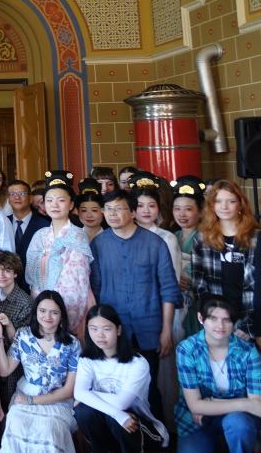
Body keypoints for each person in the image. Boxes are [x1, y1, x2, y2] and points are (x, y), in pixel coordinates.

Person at [91, 189, 181, 420]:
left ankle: (156, 435)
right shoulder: (99, 244)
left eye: (118, 209)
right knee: (115, 387)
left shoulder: (154, 243)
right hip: (113, 329)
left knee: (149, 388)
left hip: (148, 327)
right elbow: (96, 288)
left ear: (133, 212)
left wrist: (166, 330)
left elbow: (168, 288)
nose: (112, 214)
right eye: (107, 209)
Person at [74, 303, 168, 453]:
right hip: (115, 418)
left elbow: (121, 403)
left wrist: (86, 395)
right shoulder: (87, 360)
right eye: (93, 329)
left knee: (114, 418)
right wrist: (118, 415)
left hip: (140, 425)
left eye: (106, 329)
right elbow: (79, 393)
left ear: (118, 330)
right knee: (83, 412)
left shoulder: (138, 363)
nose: (100, 335)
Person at [0, 290, 81, 453]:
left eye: (54, 312)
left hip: (58, 399)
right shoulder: (23, 335)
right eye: (42, 311)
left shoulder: (72, 344)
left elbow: (69, 390)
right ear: (35, 312)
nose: (47, 316)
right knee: (16, 422)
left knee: (49, 428)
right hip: (25, 394)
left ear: (62, 315)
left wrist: (31, 400)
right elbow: (5, 370)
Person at [175, 296, 261, 453]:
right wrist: (245, 403)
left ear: (233, 322)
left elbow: (257, 404)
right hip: (196, 421)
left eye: (226, 320)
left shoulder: (248, 351)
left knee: (238, 424)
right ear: (201, 318)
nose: (220, 326)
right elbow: (194, 405)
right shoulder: (186, 350)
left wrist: (211, 403)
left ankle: (244, 443)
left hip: (237, 418)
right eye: (213, 318)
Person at [191, 179, 260, 343]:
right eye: (218, 201)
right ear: (211, 205)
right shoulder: (202, 239)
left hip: (251, 318)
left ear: (241, 204)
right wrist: (214, 319)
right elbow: (199, 284)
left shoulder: (256, 238)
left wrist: (249, 325)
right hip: (217, 319)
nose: (224, 206)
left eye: (231, 201)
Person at [26, 182, 95, 336]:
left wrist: (54, 306)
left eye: (61, 200)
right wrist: (42, 302)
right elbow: (32, 272)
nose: (54, 205)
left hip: (71, 301)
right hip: (40, 299)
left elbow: (76, 278)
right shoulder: (40, 235)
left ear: (71, 205)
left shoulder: (77, 235)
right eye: (49, 200)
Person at [0, 250, 33, 409]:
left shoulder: (25, 302)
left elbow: (21, 345)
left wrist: (9, 324)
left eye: (7, 270)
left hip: (12, 360)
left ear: (15, 273)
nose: (1, 275)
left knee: (8, 400)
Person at [172, 176, 205, 338]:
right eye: (177, 208)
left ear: (200, 211)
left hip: (198, 302)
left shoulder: (206, 237)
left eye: (188, 209)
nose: (181, 214)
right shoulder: (172, 237)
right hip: (175, 302)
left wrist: (187, 279)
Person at [6, 179, 49, 292]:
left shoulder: (45, 225)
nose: (17, 197)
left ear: (30, 198)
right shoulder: (3, 222)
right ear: (8, 199)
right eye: (12, 194)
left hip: (35, 286)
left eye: (22, 193)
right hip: (7, 284)